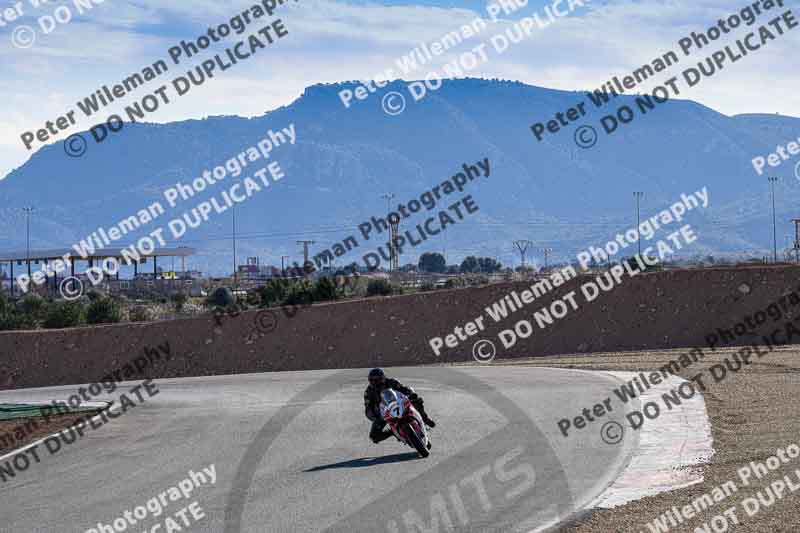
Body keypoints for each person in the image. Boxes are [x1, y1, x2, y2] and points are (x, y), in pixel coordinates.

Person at [364, 368, 436, 444]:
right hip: (385, 412)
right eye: (373, 380)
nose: (376, 382)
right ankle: (393, 432)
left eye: (378, 380)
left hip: (399, 403)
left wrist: (410, 393)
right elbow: (368, 407)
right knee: (374, 436)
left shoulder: (392, 382)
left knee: (417, 401)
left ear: (383, 377)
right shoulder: (368, 392)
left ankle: (424, 418)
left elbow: (403, 388)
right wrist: (374, 416)